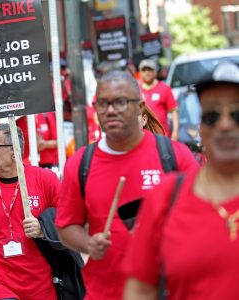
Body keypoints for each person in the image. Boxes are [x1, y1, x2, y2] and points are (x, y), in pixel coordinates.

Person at [55, 70, 198, 300]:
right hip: (107, 292)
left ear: (141, 107)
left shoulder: (174, 156)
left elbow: (206, 213)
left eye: (120, 102)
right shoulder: (80, 164)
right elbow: (65, 227)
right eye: (103, 103)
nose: (110, 110)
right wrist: (89, 243)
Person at [124, 61, 239, 299]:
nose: (225, 124)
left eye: (237, 114)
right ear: (201, 128)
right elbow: (140, 290)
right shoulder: (165, 198)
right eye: (212, 116)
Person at [0, 123, 60, 300]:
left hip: (42, 283)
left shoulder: (46, 180)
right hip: (0, 285)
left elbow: (69, 222)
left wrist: (42, 229)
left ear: (13, 150)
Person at [138, 59, 179, 140]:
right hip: (142, 137)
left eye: (149, 69)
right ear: (140, 73)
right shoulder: (136, 89)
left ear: (155, 72)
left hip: (162, 137)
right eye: (144, 70)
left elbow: (174, 111)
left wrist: (175, 131)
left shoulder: (164, 88)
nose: (147, 72)